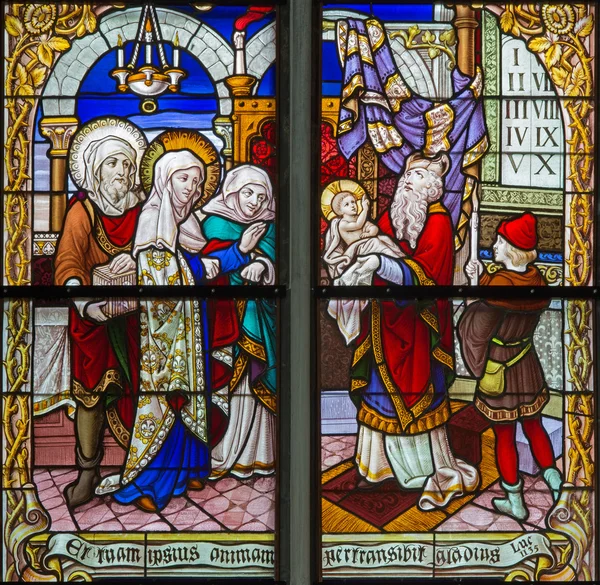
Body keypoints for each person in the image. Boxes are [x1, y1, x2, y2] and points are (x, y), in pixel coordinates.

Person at [335, 152, 479, 510]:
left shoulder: (439, 221)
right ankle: (377, 466)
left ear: (432, 187)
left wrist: (380, 263)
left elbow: (430, 276)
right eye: (408, 174)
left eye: (418, 176)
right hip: (382, 321)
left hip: (419, 326)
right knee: (376, 390)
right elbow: (369, 244)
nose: (408, 181)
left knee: (419, 391)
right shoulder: (394, 214)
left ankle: (425, 470)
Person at [110, 149, 219, 512]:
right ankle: (146, 481)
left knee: (191, 394)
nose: (192, 188)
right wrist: (222, 262)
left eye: (198, 181)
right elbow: (163, 281)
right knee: (163, 400)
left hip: (190, 326)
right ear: (164, 179)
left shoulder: (188, 226)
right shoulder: (152, 220)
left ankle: (188, 467)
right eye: (184, 178)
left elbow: (191, 264)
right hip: (162, 333)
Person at [54, 119, 147, 508]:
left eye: (127, 165)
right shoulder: (83, 211)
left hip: (135, 319)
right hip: (91, 318)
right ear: (94, 168)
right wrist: (86, 301)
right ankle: (88, 471)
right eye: (113, 164)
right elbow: (69, 262)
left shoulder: (145, 209)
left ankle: (141, 468)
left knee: (143, 391)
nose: (121, 173)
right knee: (90, 396)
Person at [459, 212, 562, 521]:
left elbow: (476, 329)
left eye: (501, 240)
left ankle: (515, 502)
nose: (495, 244)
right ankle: (558, 486)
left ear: (512, 249)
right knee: (534, 426)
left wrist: (473, 288)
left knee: (504, 435)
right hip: (527, 364)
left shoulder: (499, 284)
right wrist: (481, 282)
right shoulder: (536, 279)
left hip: (500, 368)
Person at [184, 164, 276, 479]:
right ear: (232, 191)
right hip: (223, 319)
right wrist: (242, 256)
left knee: (255, 383)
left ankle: (259, 454)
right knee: (228, 386)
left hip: (260, 318)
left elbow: (277, 259)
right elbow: (205, 265)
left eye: (262, 197)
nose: (254, 202)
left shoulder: (270, 226)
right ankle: (223, 452)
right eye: (248, 193)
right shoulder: (213, 224)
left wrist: (263, 265)